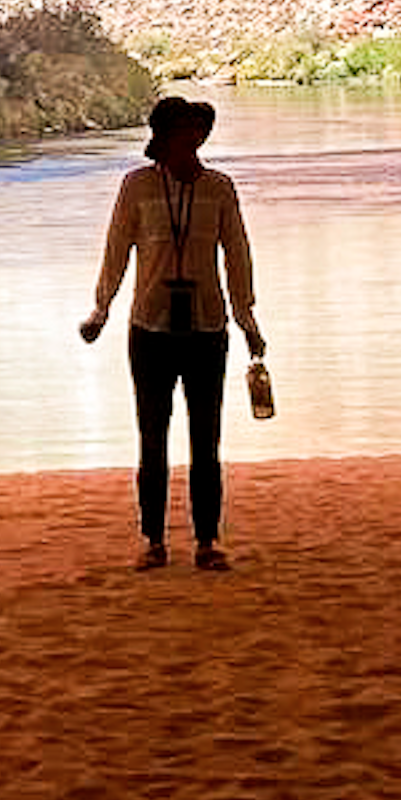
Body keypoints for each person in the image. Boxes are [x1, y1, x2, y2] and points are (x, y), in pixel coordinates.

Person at [81, 94, 261, 572]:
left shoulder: (220, 188)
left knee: (207, 440)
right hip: (150, 329)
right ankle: (154, 541)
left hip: (207, 327)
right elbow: (116, 251)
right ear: (162, 141)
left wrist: (248, 323)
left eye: (197, 134)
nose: (192, 143)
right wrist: (100, 311)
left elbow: (238, 256)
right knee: (152, 438)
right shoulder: (136, 187)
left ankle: (206, 541)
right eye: (182, 135)